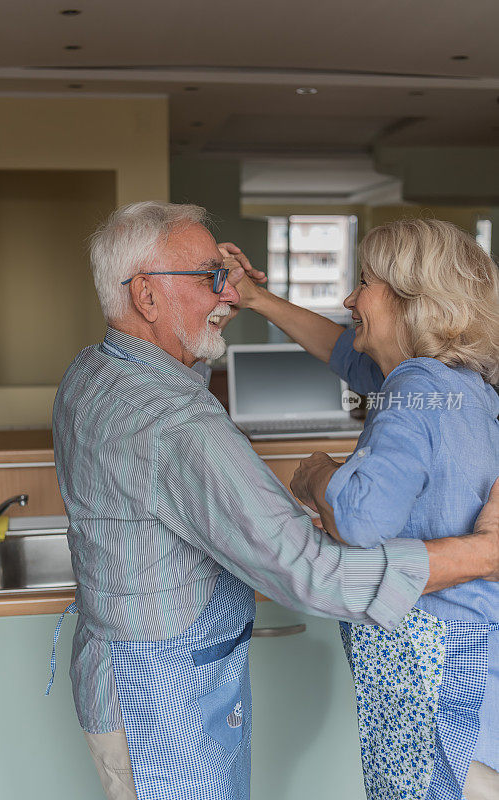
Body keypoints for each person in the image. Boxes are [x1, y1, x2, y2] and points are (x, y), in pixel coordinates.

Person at [50, 203, 499, 800]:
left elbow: (355, 502)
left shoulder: (90, 372)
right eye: (210, 277)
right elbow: (315, 572)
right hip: (160, 700)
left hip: (126, 681)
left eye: (364, 283)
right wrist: (482, 555)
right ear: (148, 297)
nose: (227, 297)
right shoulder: (177, 423)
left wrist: (318, 477)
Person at [225, 219, 499, 799]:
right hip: (466, 645)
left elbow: (360, 518)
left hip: (428, 651)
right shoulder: (454, 381)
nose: (350, 298)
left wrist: (320, 473)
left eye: (365, 283)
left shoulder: (412, 393)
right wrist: (257, 299)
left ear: (409, 301)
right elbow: (345, 353)